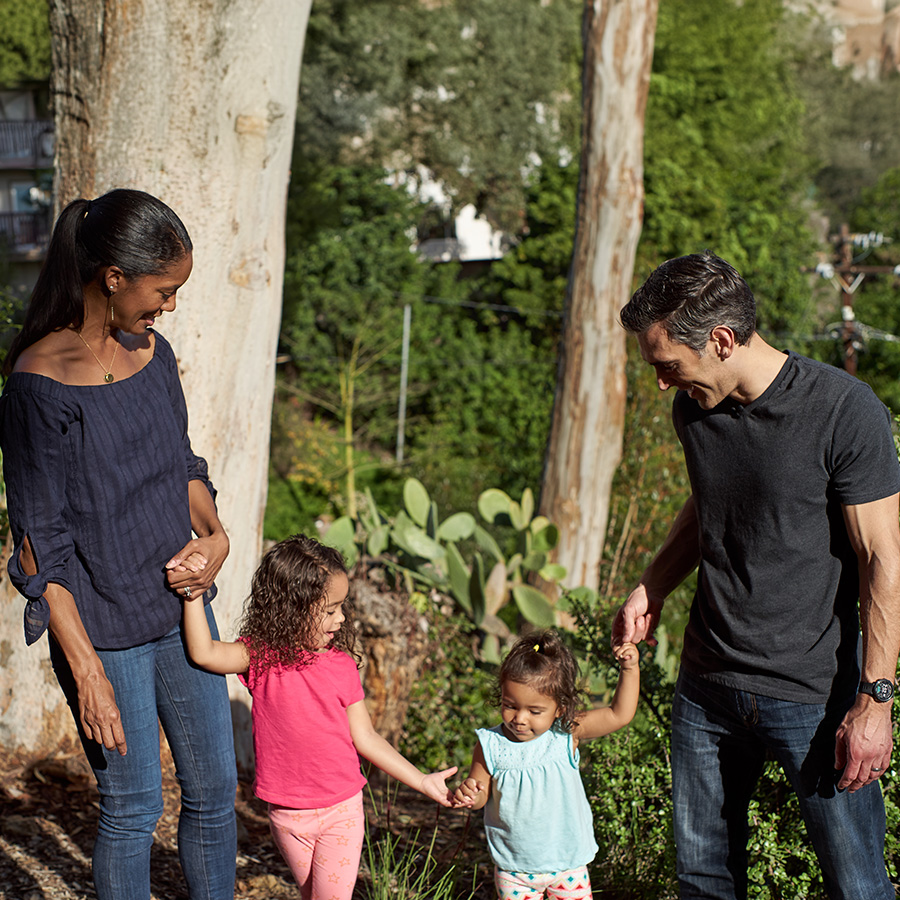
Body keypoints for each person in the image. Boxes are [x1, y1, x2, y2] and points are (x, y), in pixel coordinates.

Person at [614, 250, 900, 900]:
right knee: (704, 884)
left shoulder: (843, 411)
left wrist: (875, 700)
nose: (661, 382)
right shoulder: (696, 409)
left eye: (668, 364)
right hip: (705, 691)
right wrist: (654, 582)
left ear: (720, 340)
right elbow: (711, 501)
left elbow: (883, 558)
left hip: (813, 698)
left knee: (857, 886)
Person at [0, 189, 237, 900]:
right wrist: (87, 670)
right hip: (102, 632)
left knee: (215, 795)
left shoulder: (154, 354)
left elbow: (181, 465)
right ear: (113, 277)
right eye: (163, 290)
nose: (168, 306)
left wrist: (216, 536)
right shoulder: (38, 385)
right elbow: (40, 546)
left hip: (183, 613)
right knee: (134, 810)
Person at [181, 532, 463, 900]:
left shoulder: (342, 667)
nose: (341, 618)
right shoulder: (261, 658)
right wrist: (193, 592)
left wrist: (422, 781)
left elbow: (366, 738)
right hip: (286, 817)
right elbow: (204, 653)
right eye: (330, 610)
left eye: (341, 607)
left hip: (341, 812)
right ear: (291, 608)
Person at [453, 630, 639, 900]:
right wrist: (470, 793)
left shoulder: (566, 734)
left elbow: (618, 714)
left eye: (535, 711)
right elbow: (480, 795)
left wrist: (629, 668)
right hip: (514, 870)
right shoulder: (490, 744)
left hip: (568, 866)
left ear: (560, 708)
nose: (520, 718)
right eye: (510, 706)